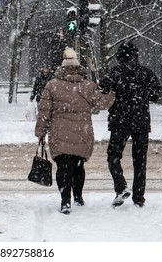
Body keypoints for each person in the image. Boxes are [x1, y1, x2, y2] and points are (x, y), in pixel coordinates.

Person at [35, 47, 115, 215]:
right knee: (78, 166)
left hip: (59, 132)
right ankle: (78, 196)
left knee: (63, 167)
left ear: (62, 68)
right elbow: (102, 104)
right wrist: (113, 93)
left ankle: (65, 200)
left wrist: (40, 132)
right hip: (82, 131)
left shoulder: (52, 85)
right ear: (79, 68)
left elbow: (44, 111)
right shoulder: (88, 86)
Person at [99, 41, 162, 208]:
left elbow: (102, 89)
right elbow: (156, 95)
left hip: (120, 120)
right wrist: (141, 95)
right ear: (136, 55)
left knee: (113, 155)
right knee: (140, 160)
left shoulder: (115, 73)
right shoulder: (146, 73)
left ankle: (120, 186)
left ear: (120, 56)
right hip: (141, 120)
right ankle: (138, 198)